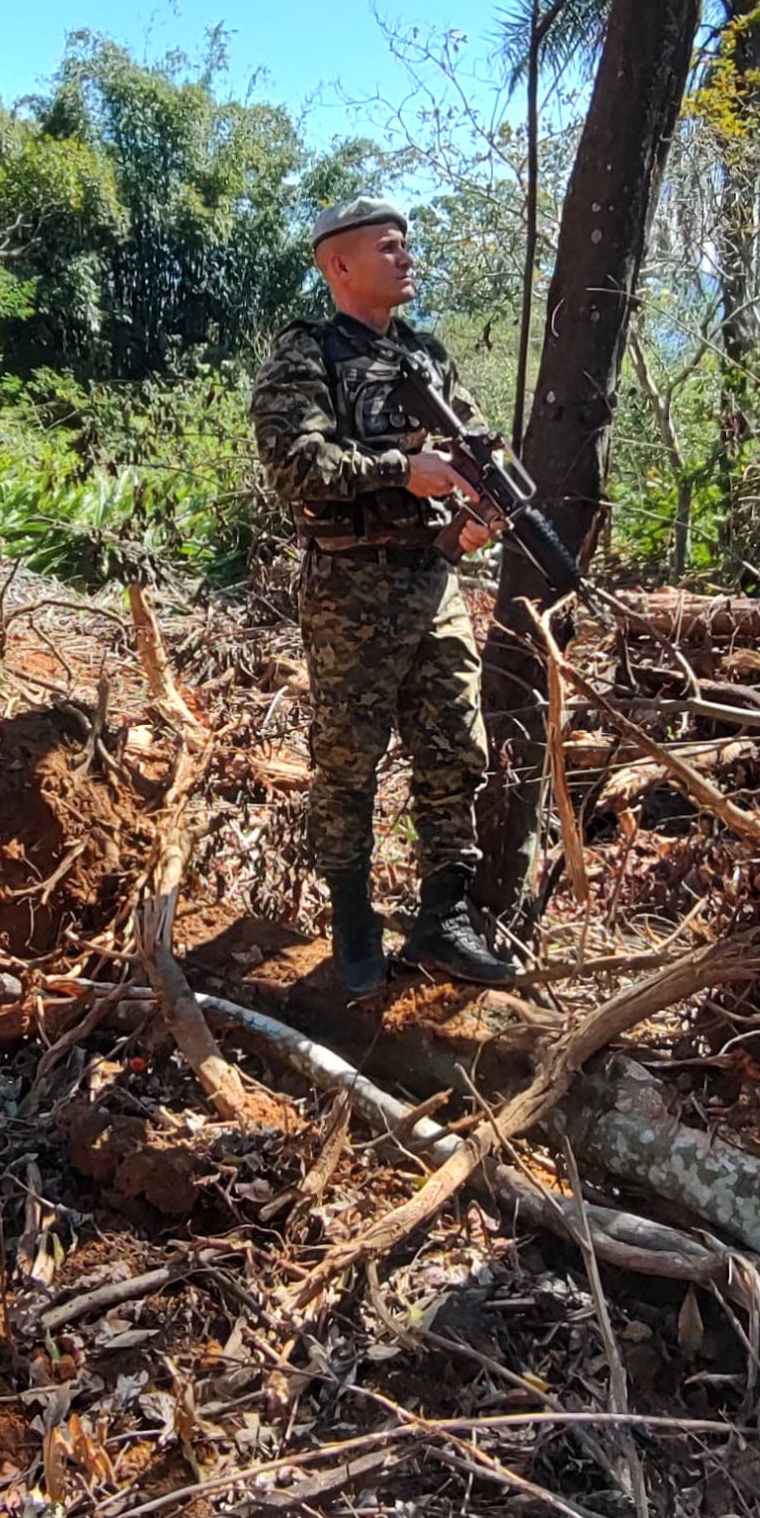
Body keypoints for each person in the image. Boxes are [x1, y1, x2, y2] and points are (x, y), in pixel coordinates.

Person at [250, 196, 521, 998]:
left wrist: (482, 514)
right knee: (348, 759)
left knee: (453, 749)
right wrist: (399, 471)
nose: (407, 259)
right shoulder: (307, 354)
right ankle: (354, 920)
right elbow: (294, 464)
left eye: (407, 246)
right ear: (339, 265)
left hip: (433, 582)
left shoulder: (427, 355)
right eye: (389, 247)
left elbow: (473, 449)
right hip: (350, 590)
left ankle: (443, 917)